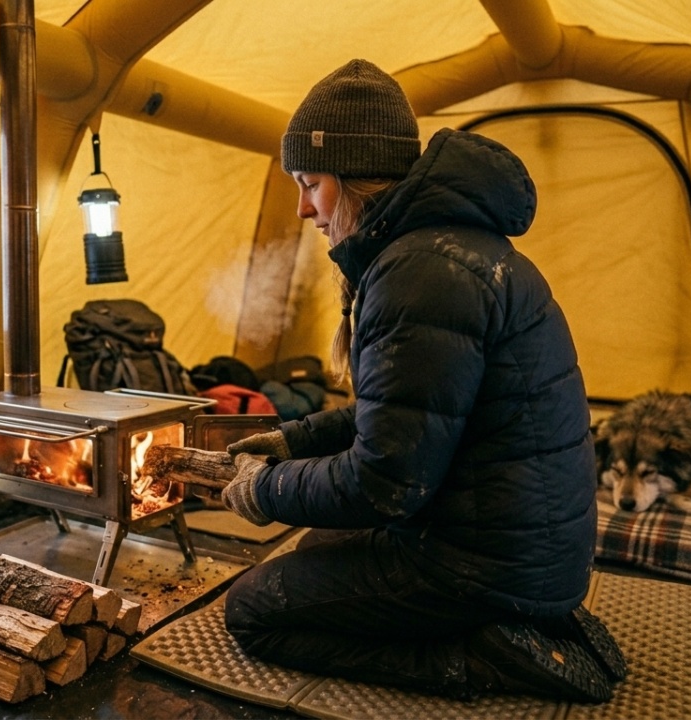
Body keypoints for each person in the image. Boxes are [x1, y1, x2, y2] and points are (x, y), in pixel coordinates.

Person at [219, 59, 626, 702]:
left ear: (356, 178)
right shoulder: (441, 249)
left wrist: (264, 493)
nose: (302, 208)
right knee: (321, 541)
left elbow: (384, 485)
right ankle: (520, 620)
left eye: (312, 183)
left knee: (252, 607)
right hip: (528, 543)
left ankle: (481, 655)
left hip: (486, 562)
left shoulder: (418, 274)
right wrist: (291, 442)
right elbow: (409, 411)